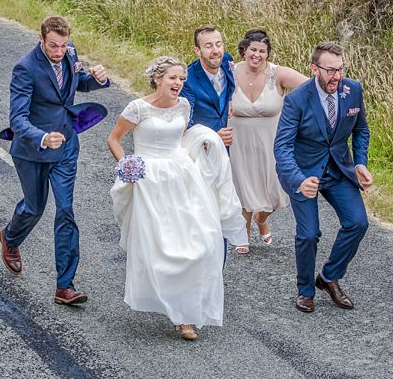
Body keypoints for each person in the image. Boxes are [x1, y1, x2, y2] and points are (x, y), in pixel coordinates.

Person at [108, 56, 246, 341]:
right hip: (149, 180)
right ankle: (173, 307)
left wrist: (206, 141)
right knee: (163, 247)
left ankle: (186, 316)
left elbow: (181, 140)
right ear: (158, 78)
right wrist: (127, 165)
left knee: (200, 239)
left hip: (181, 176)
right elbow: (114, 139)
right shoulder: (137, 108)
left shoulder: (184, 105)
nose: (179, 83)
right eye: (173, 78)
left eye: (182, 78)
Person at [0, 15, 110, 305]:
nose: (59, 51)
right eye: (53, 46)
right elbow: (17, 118)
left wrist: (97, 80)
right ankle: (10, 238)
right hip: (33, 150)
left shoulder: (70, 52)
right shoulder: (25, 68)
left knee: (65, 210)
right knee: (35, 207)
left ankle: (65, 285)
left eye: (63, 46)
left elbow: (78, 84)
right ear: (41, 38)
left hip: (66, 147)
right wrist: (42, 137)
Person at [274, 41, 372, 313]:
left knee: (358, 222)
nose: (336, 77)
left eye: (340, 70)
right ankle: (305, 290)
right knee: (309, 234)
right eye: (330, 71)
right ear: (314, 69)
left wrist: (360, 163)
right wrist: (298, 179)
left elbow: (361, 130)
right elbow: (282, 147)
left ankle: (328, 277)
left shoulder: (353, 90)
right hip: (303, 173)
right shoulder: (296, 99)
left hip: (339, 169)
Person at [229, 29, 307, 251]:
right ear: (244, 50)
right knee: (242, 188)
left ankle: (261, 219)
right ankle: (242, 233)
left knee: (277, 192)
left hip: (272, 142)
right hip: (239, 142)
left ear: (268, 53)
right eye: (253, 49)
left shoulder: (277, 74)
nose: (257, 55)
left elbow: (311, 88)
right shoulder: (230, 72)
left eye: (262, 51)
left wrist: (296, 117)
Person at [181, 24, 248, 254]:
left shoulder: (227, 62)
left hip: (225, 153)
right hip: (200, 154)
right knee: (200, 213)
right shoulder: (188, 81)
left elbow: (230, 87)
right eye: (208, 46)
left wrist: (229, 103)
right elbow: (184, 122)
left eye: (218, 44)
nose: (215, 50)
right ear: (197, 51)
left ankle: (216, 272)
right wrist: (212, 135)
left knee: (223, 207)